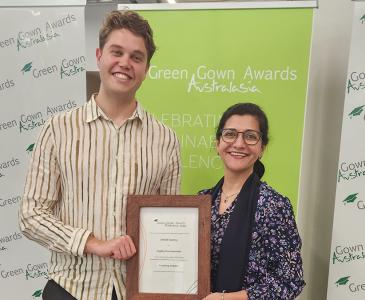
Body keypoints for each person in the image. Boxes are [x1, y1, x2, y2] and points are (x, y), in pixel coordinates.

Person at [19, 10, 181, 300]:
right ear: (99, 56)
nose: (125, 63)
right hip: (69, 288)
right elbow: (31, 216)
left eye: (136, 57)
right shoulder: (58, 129)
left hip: (135, 292)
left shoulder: (165, 139)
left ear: (146, 69)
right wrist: (92, 243)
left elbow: (167, 221)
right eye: (116, 52)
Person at [200, 103, 305, 300]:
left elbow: (290, 281)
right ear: (218, 143)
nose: (239, 144)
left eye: (250, 136)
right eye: (230, 134)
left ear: (262, 148)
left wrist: (225, 299)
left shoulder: (274, 205)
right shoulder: (201, 202)